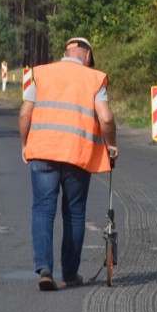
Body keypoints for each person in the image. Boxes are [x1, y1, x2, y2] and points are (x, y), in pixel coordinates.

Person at [19, 37, 119, 291]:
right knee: (74, 214)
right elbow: (106, 118)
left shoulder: (42, 74)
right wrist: (112, 144)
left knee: (43, 209)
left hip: (42, 152)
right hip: (77, 155)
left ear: (66, 52)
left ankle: (44, 269)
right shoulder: (93, 78)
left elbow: (24, 113)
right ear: (87, 56)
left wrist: (24, 144)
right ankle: (70, 274)